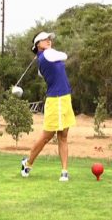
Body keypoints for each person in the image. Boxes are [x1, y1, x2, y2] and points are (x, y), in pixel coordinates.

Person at [20, 31, 76, 182]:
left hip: (65, 97)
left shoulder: (44, 57)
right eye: (44, 39)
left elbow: (42, 72)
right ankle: (28, 164)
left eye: (49, 39)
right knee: (47, 136)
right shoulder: (47, 55)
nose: (49, 40)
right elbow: (64, 55)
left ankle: (64, 171)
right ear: (38, 45)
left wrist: (39, 54)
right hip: (55, 99)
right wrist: (42, 53)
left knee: (63, 136)